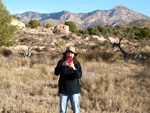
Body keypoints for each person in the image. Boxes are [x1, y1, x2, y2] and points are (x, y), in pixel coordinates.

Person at [54, 46, 82, 113]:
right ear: (65, 54)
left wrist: (74, 68)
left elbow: (79, 76)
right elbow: (56, 73)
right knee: (62, 110)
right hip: (63, 90)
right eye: (68, 52)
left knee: (76, 110)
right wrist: (62, 65)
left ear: (74, 55)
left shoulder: (77, 64)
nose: (70, 54)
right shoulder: (61, 62)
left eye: (71, 53)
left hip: (74, 90)